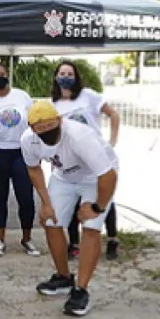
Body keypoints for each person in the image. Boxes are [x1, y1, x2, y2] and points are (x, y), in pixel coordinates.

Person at [21, 100, 118, 317]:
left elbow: (108, 175)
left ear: (59, 120)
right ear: (32, 128)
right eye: (40, 127)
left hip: (95, 176)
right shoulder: (28, 140)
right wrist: (46, 204)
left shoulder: (79, 136)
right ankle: (64, 277)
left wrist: (97, 207)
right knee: (50, 221)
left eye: (50, 124)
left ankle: (81, 290)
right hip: (64, 176)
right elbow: (34, 169)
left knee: (91, 227)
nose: (46, 130)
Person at [51, 61, 121, 260]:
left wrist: (112, 140)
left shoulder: (88, 96)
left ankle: (113, 239)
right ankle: (74, 243)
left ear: (76, 76)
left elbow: (113, 114)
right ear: (56, 77)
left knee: (105, 199)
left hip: (95, 157)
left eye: (70, 73)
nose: (66, 76)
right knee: (74, 202)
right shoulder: (54, 104)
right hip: (72, 162)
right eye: (62, 73)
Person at [0, 61, 39, 257]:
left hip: (21, 152)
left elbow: (34, 123)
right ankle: (1, 239)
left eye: (2, 73)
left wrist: (37, 149)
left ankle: (27, 239)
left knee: (26, 198)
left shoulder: (22, 96)